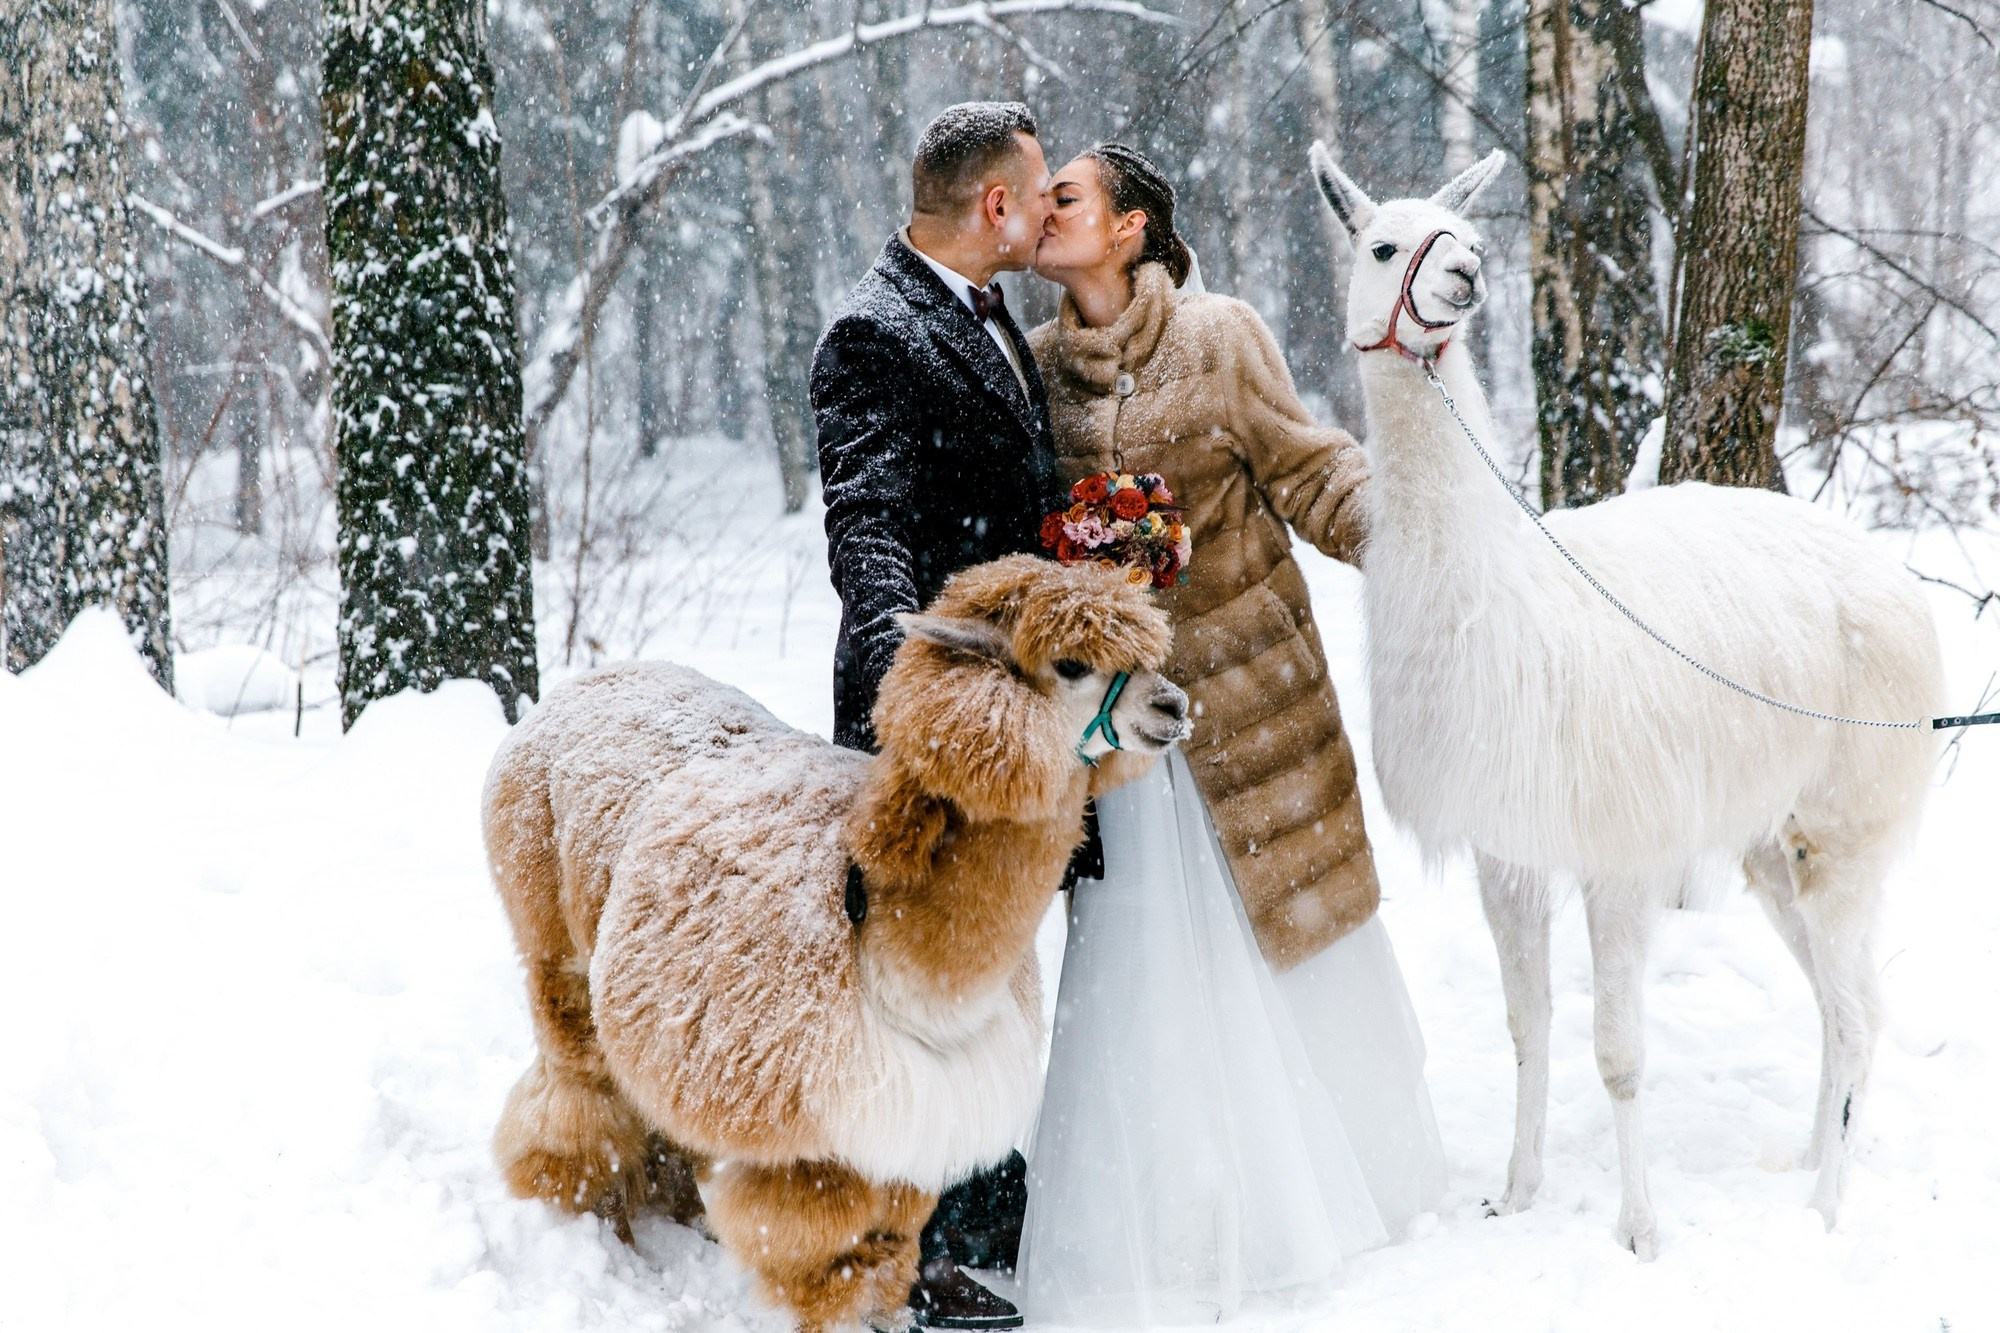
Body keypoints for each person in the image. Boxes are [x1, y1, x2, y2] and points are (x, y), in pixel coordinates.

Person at [1014, 143, 1449, 1325]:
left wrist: (1421, 542)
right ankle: (1183, 1217)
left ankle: (1345, 1180)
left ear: (1130, 227)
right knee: (1145, 964)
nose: (1044, 210)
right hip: (1120, 736)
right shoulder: (1035, 363)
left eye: (1067, 196)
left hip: (1252, 710)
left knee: (1288, 937)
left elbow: (1310, 475)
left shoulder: (1218, 336)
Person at [811, 101, 1062, 1332]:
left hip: (1017, 715)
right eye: (1038, 186)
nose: (1050, 203)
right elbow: (865, 529)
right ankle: (916, 1250)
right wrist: (914, 680)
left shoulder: (988, 315)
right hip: (931, 717)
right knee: (923, 981)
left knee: (994, 967)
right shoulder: (871, 332)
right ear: (994, 207)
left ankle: (987, 1207)